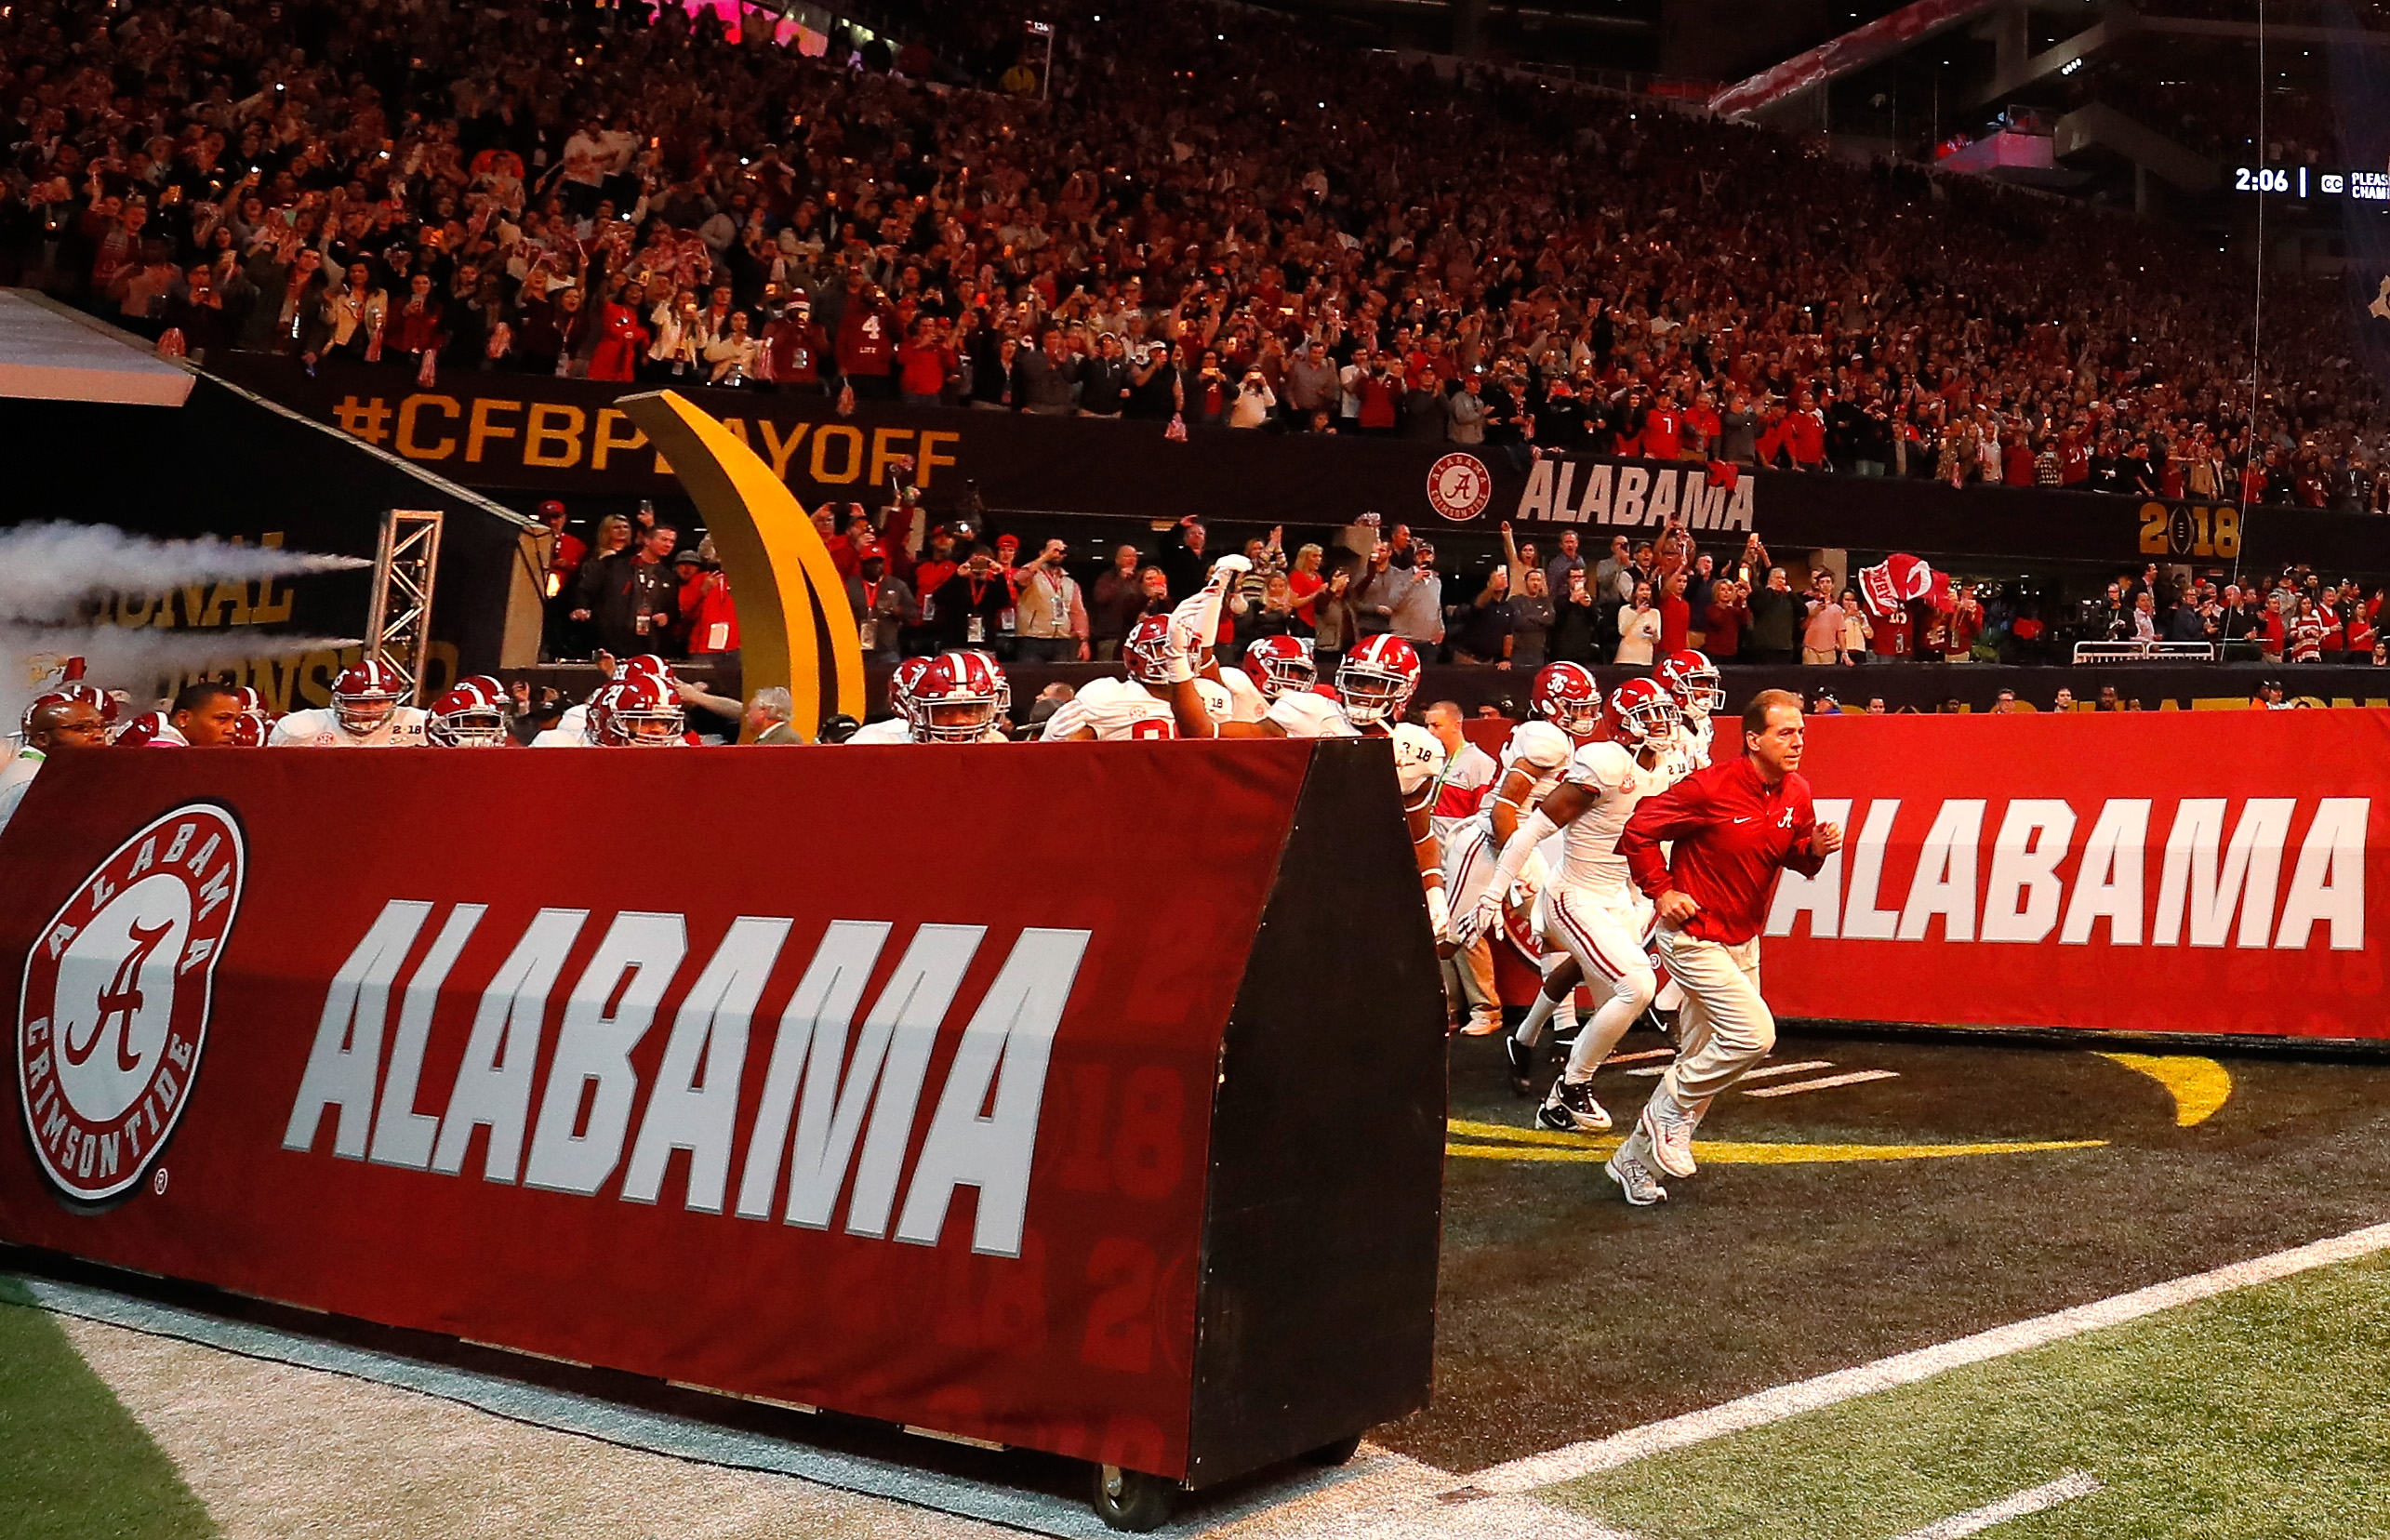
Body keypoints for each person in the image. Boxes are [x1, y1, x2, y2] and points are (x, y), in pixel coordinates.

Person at [1609, 689, 1844, 1205]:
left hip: (1743, 939)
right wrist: (1663, 890)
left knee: (1702, 1056)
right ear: (1753, 739)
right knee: (1753, 1037)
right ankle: (1664, 1111)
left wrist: (1815, 850)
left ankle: (1632, 1161)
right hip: (1694, 938)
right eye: (1786, 733)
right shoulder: (1709, 788)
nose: (1798, 741)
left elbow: (1795, 858)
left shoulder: (1796, 792)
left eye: (1801, 731)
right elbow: (1638, 831)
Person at [1464, 679, 1685, 1131]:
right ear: (1624, 725)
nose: (1661, 724)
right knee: (1636, 986)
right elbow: (1531, 830)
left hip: (1616, 896)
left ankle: (1523, 1040)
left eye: (1664, 713)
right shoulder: (1603, 763)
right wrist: (1493, 892)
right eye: (1649, 716)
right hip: (1574, 894)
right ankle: (1567, 1093)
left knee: (1590, 978)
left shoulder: (1664, 764)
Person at [1441, 663, 1604, 1046]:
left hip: (1516, 840)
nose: (1584, 715)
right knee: (1452, 938)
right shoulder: (1546, 739)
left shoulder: (1553, 736)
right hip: (1486, 844)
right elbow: (1502, 809)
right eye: (1575, 707)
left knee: (1553, 928)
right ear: (1550, 706)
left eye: (1586, 707)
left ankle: (1565, 1029)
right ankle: (1393, 1001)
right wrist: (1511, 873)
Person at [0, 692, 109, 838]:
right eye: (81, 728)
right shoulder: (32, 782)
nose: (99, 735)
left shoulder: (53, 771)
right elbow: (12, 849)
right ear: (42, 739)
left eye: (101, 727)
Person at [270, 659, 429, 747]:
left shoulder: (420, 723)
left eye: (379, 702)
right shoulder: (300, 729)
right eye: (361, 702)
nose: (370, 710)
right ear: (340, 701)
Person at [1012, 539, 1089, 662]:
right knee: (1032, 679)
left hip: (1061, 641)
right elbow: (1018, 578)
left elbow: (1077, 612)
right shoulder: (1032, 574)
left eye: (1061, 551)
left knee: (1060, 679)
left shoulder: (1069, 583)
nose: (1057, 554)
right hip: (1033, 639)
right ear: (1042, 552)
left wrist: (1083, 641)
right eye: (1054, 550)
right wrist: (1045, 556)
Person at [845, 541, 918, 662]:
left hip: (887, 649)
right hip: (855, 648)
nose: (875, 566)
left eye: (879, 562)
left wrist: (897, 610)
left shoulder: (897, 585)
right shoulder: (850, 585)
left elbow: (914, 612)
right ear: (862, 564)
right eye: (870, 562)